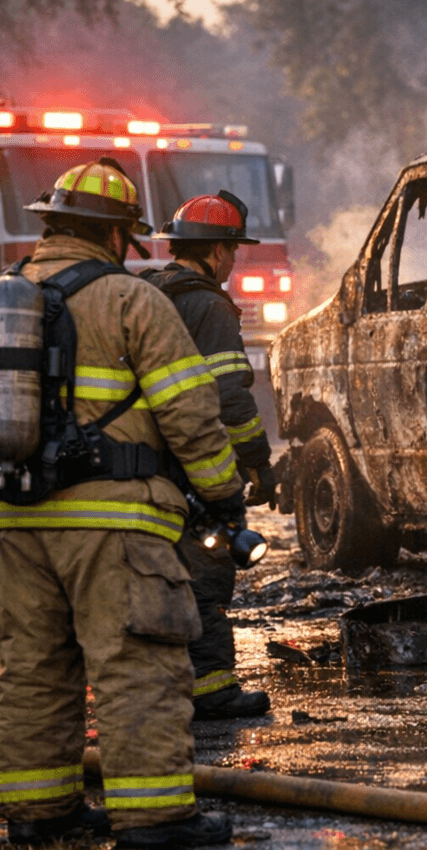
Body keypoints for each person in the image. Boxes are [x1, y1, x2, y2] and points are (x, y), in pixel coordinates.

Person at [0, 158, 240, 848]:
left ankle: (39, 811)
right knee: (138, 669)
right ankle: (155, 819)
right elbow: (191, 415)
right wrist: (224, 495)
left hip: (15, 521)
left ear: (51, 225)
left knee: (33, 670)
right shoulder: (134, 301)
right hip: (116, 527)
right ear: (115, 235)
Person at [141, 191, 275, 719]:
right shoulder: (210, 306)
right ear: (217, 251)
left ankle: (161, 683)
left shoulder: (148, 292)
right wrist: (258, 462)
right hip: (196, 467)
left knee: (157, 576)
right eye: (233, 251)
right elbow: (231, 396)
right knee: (207, 576)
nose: (233, 261)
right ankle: (212, 689)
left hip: (141, 464)